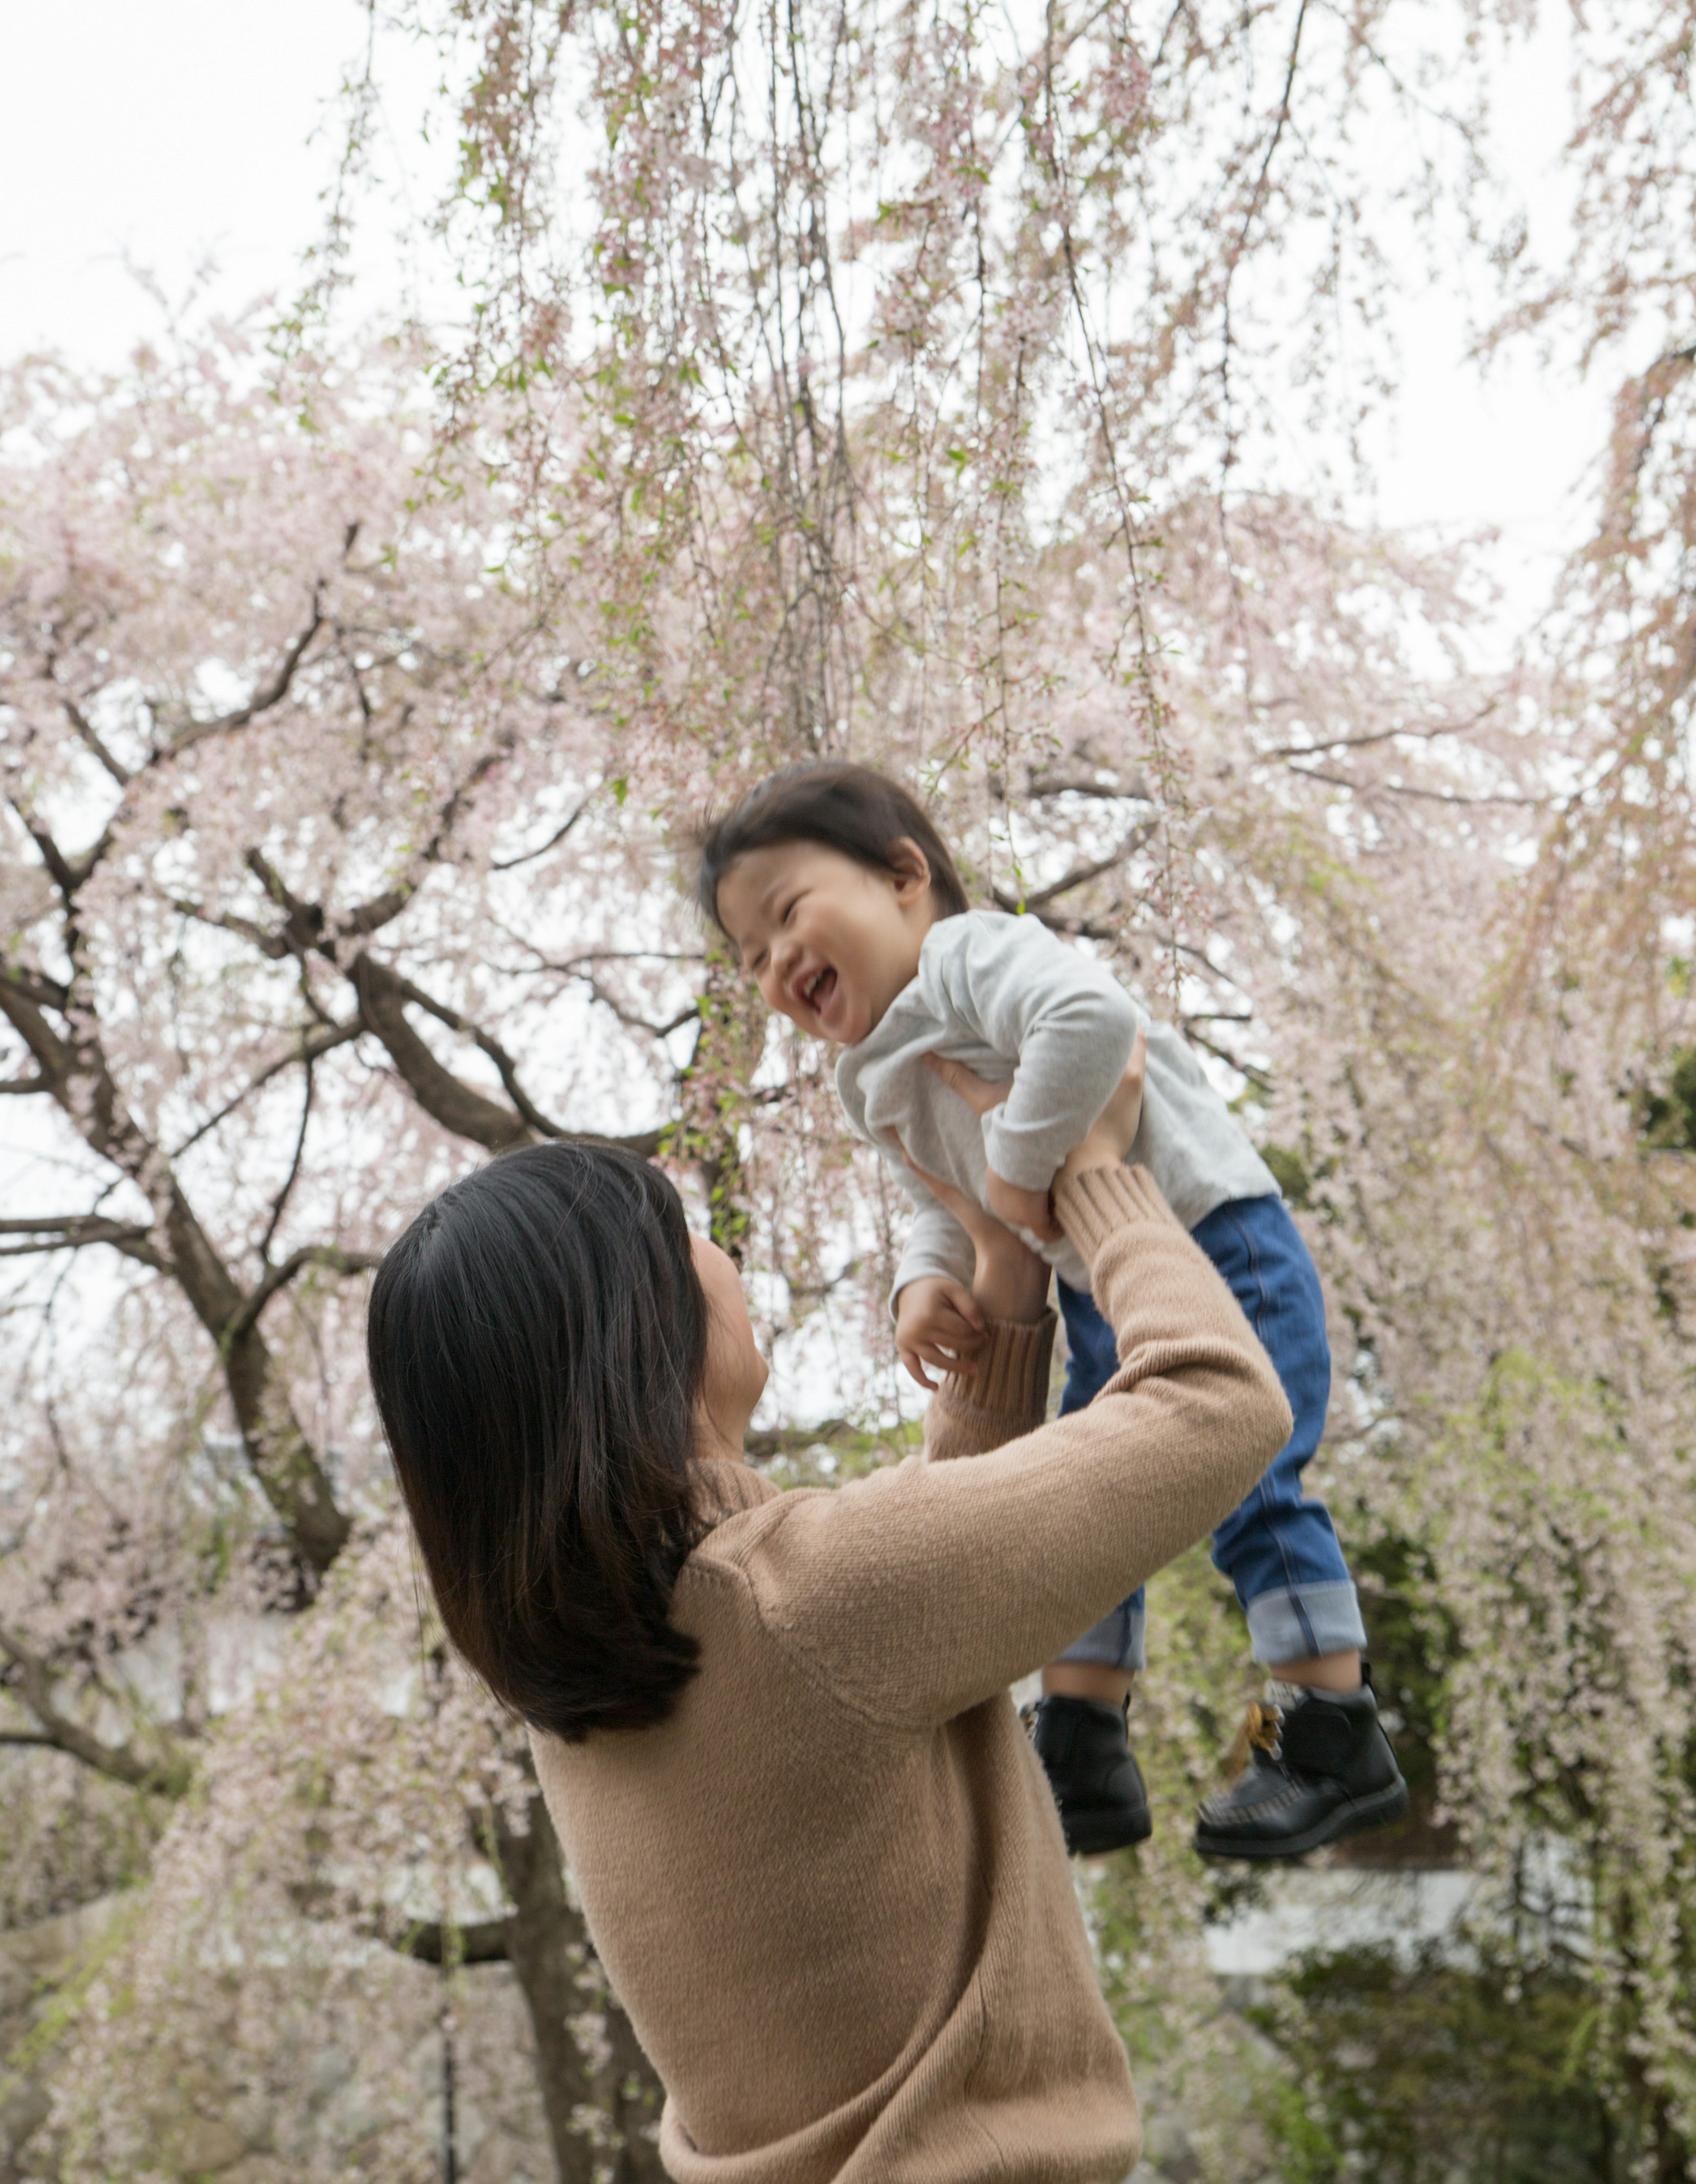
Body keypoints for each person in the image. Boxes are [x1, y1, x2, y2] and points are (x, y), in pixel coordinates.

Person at [368, 1049, 1294, 2182]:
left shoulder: (596, 1677)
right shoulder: (806, 1599)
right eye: (683, 1231)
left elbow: (893, 1626)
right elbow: (1221, 1404)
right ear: (640, 1332)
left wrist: (1001, 1288)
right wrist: (1100, 1173)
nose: (718, 1250)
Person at [699, 760, 1407, 1862]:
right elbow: (937, 1195)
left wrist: (1027, 1165)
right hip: (1099, 1291)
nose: (779, 961)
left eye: (788, 914)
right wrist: (925, 1282)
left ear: (903, 877)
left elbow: (1090, 1021)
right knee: (1085, 1493)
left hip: (1215, 1238)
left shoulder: (968, 955)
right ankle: (1082, 1741)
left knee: (1254, 1483)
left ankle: (1331, 1728)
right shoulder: (867, 1076)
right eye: (752, 957)